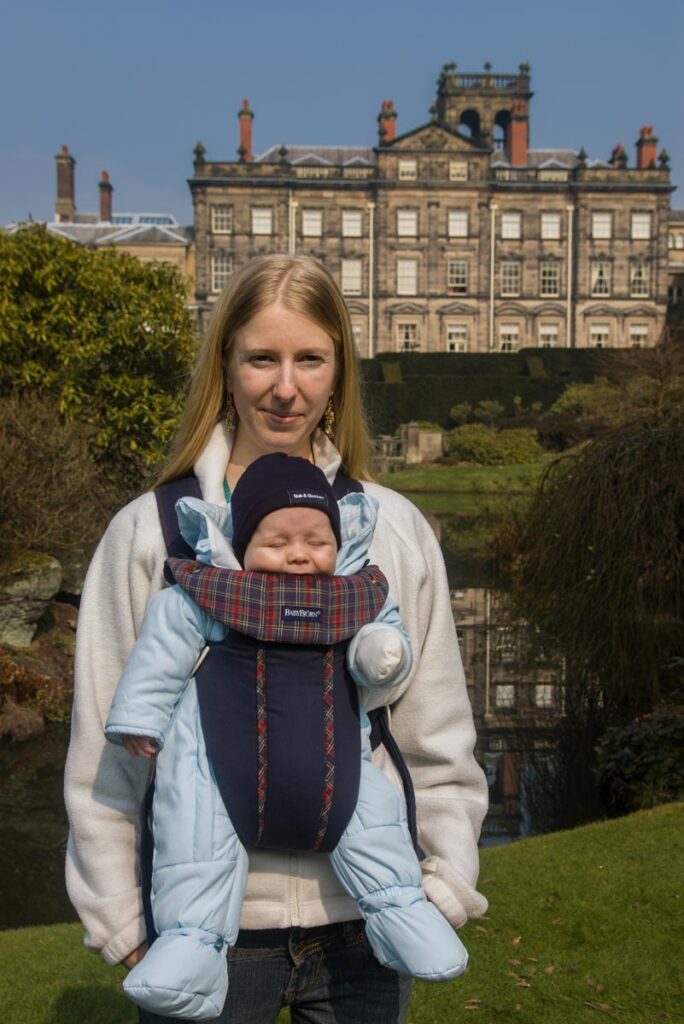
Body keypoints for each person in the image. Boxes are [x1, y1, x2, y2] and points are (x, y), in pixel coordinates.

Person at [64, 254, 489, 1024]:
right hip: (209, 936)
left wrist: (445, 881)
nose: (284, 387)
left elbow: (435, 735)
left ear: (338, 373)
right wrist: (123, 925)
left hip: (366, 929)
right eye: (261, 357)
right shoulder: (150, 533)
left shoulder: (390, 530)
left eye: (309, 359)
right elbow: (107, 744)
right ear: (225, 366)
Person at [104, 453, 469, 1019]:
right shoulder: (209, 594)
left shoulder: (358, 593)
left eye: (316, 541)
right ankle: (190, 943)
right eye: (277, 542)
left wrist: (382, 655)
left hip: (339, 773)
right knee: (195, 840)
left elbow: (396, 667)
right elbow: (161, 649)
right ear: (241, 542)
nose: (299, 554)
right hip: (217, 772)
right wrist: (139, 716)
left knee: (375, 824)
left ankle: (402, 911)